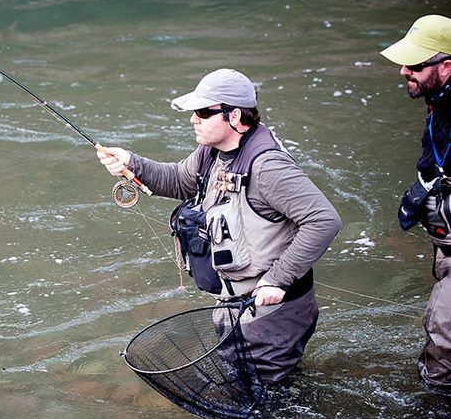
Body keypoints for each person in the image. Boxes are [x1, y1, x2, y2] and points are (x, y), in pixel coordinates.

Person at [98, 69, 341, 383]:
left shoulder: (268, 166)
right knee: (254, 390)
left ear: (234, 116)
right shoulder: (211, 153)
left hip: (271, 314)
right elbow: (178, 180)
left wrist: (278, 279)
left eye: (202, 112)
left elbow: (324, 220)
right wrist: (131, 163)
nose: (193, 119)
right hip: (236, 307)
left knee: (263, 409)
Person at [381, 14, 451, 388]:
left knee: (442, 347)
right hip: (445, 242)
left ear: (447, 66)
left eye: (416, 65)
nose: (404, 71)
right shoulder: (438, 100)